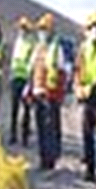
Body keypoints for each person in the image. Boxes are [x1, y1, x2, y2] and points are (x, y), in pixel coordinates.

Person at [73, 10, 96, 183]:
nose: (95, 29)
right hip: (87, 95)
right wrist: (79, 87)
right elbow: (78, 69)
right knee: (87, 132)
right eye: (92, 26)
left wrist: (92, 86)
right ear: (87, 29)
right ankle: (89, 168)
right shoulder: (84, 47)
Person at [28, 13, 67, 170]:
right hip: (38, 92)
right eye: (41, 29)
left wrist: (59, 95)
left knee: (49, 127)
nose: (42, 32)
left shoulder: (56, 49)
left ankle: (50, 160)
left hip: (50, 94)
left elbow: (62, 72)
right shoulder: (37, 48)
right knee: (40, 127)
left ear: (51, 31)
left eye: (45, 29)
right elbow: (32, 69)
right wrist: (29, 89)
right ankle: (43, 157)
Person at [9, 16, 36, 146]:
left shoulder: (31, 43)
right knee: (14, 109)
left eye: (23, 28)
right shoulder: (17, 42)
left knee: (26, 110)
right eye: (20, 28)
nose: (21, 30)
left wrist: (29, 83)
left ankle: (24, 137)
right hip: (15, 78)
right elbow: (14, 60)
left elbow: (31, 64)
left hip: (25, 80)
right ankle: (13, 135)